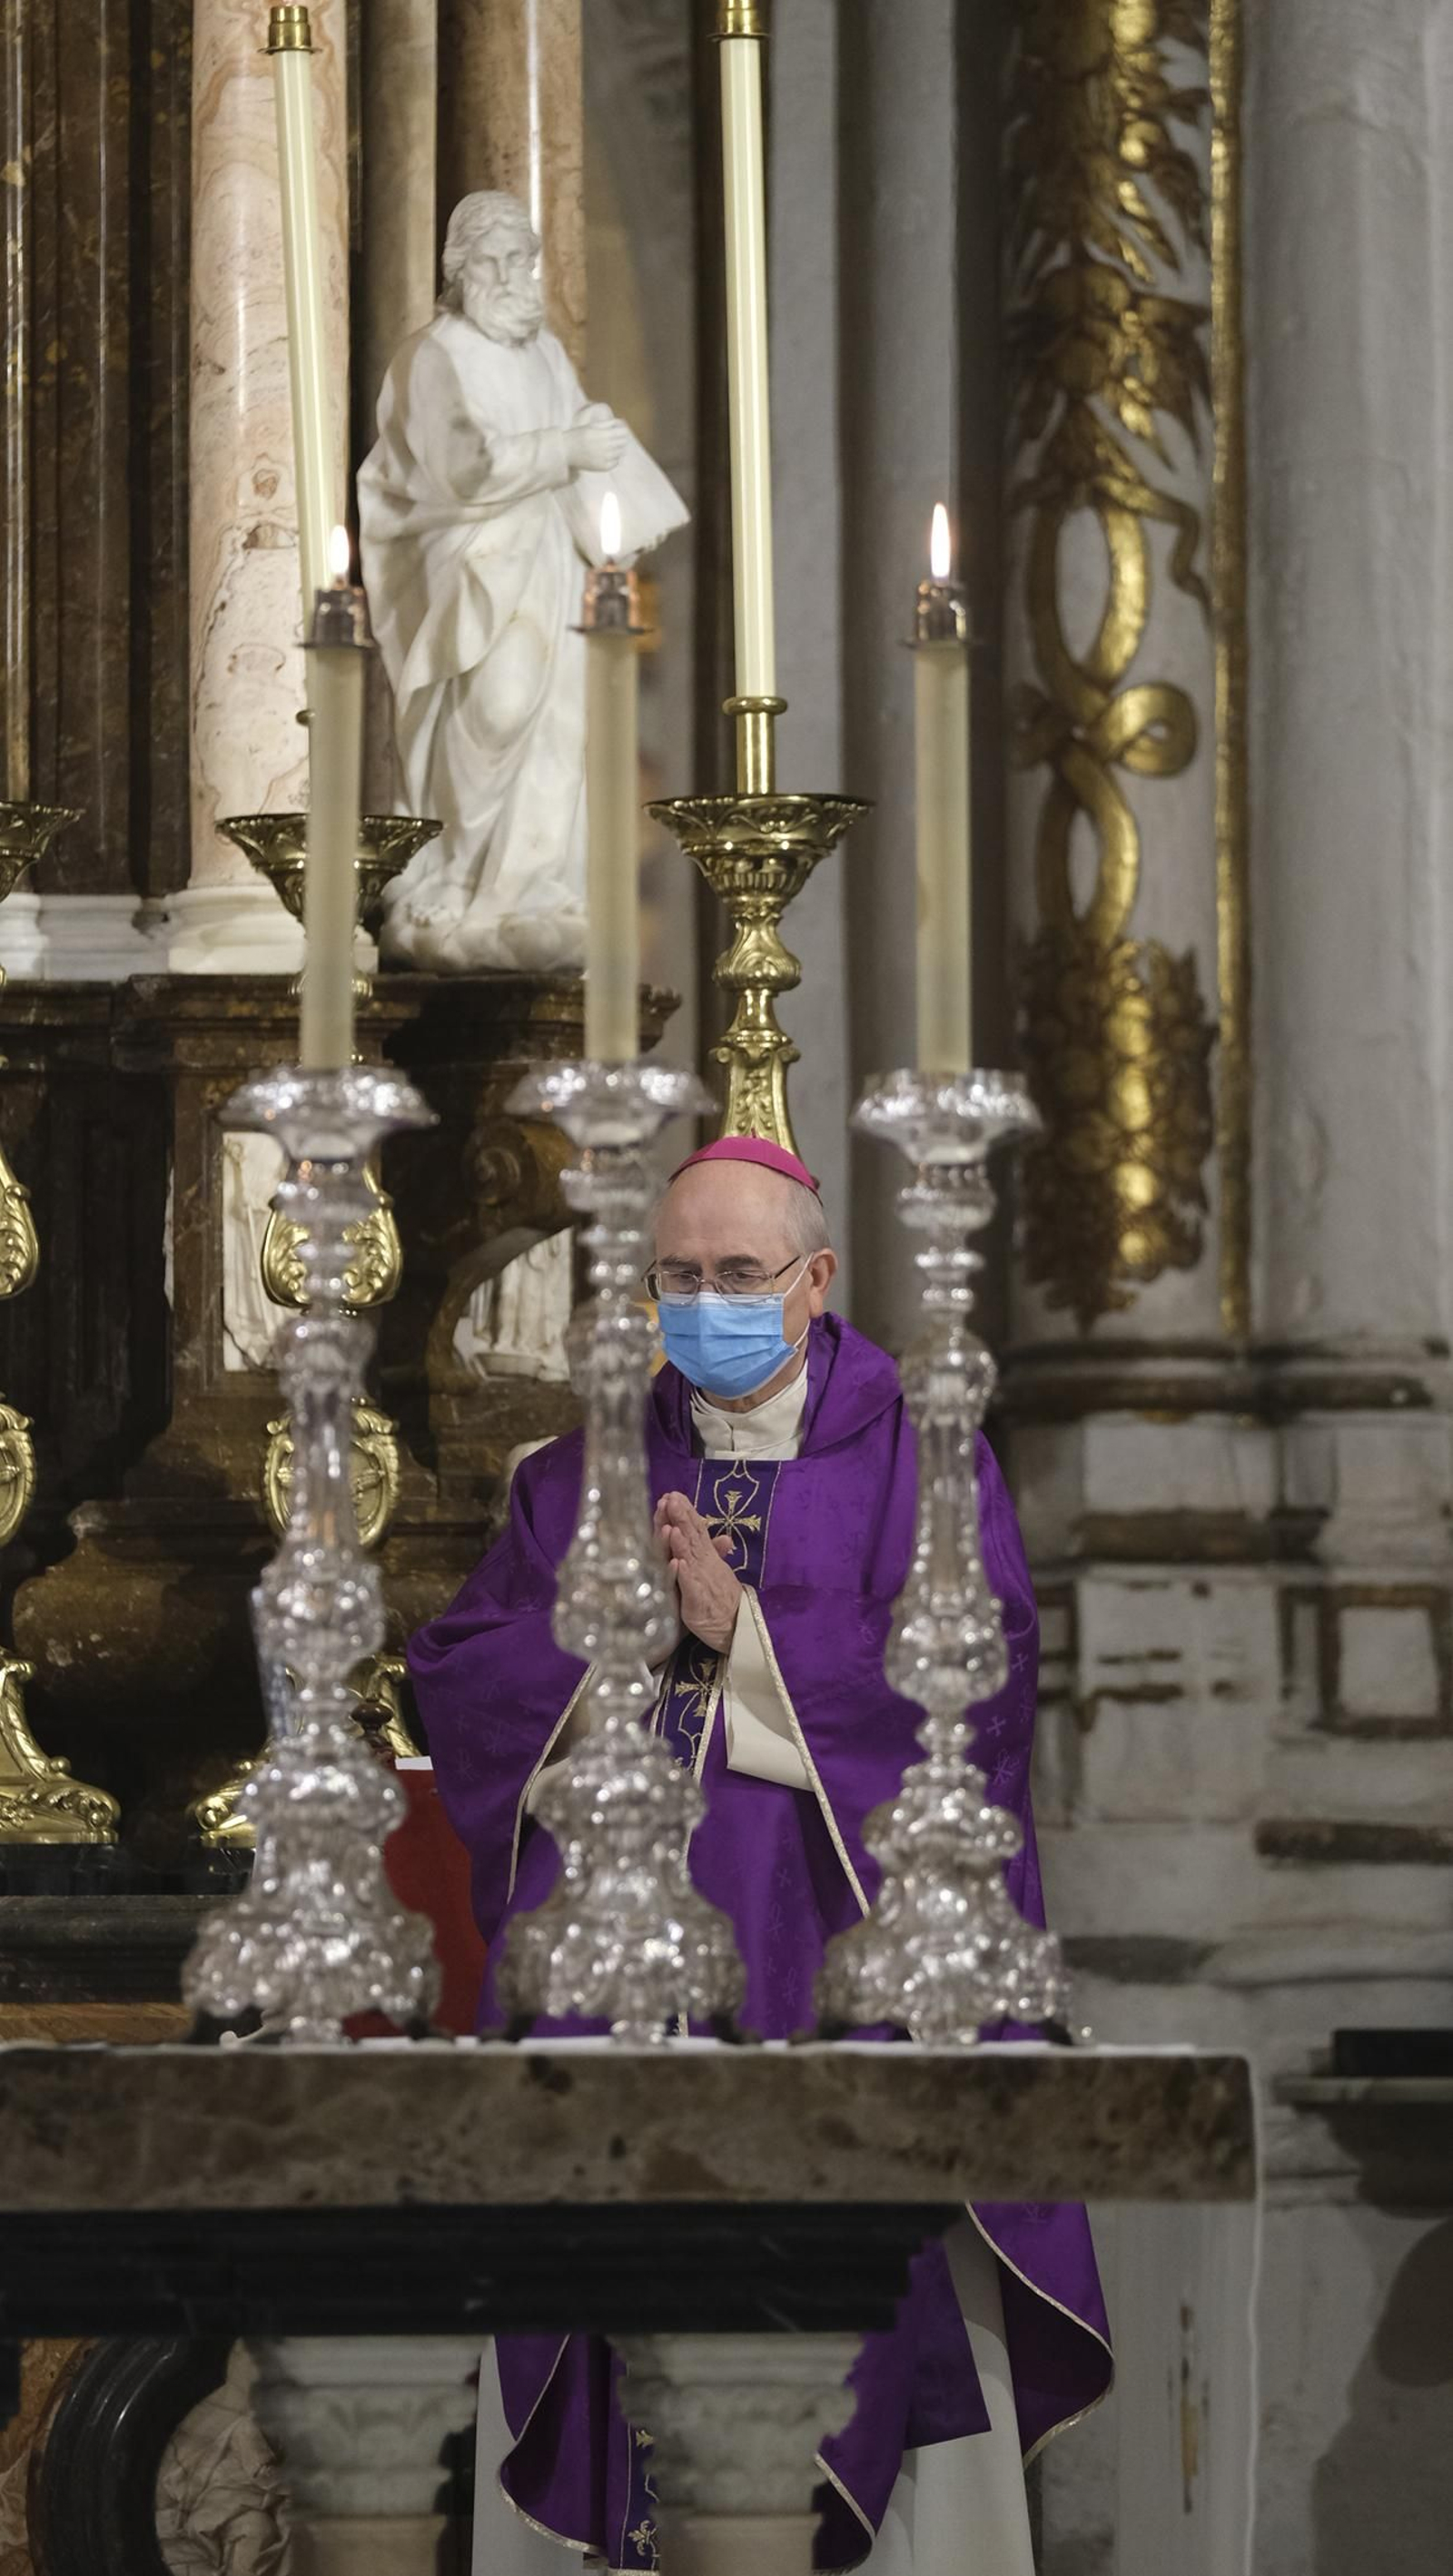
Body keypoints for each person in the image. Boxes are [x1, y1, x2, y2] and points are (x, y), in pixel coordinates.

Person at [410, 1137, 1112, 2576]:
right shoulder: (578, 1477)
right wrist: (608, 1644)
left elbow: (977, 1691)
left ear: (815, 1282)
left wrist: (759, 1638)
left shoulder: (922, 1455)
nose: (704, 1303)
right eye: (677, 1276)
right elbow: (466, 1682)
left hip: (840, 2010)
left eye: (738, 1275)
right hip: (614, 2030)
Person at [358, 191, 687, 972]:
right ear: (458, 270)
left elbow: (581, 440)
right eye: (491, 260)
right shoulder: (435, 357)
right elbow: (465, 465)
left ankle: (525, 891)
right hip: (472, 565)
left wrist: (617, 496)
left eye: (520, 259)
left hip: (550, 562)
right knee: (497, 708)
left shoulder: (543, 353)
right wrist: (564, 445)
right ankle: (458, 875)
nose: (510, 275)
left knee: (561, 724)